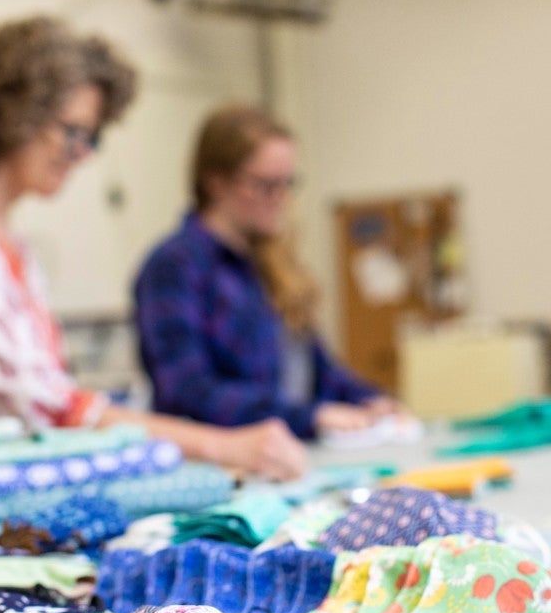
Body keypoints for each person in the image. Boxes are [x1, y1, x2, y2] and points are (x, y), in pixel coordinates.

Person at [0, 18, 305, 480]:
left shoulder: (8, 242)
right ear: (14, 112)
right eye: (73, 132)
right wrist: (223, 446)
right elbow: (53, 407)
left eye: (91, 138)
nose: (82, 153)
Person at [133, 104, 403, 440]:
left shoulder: (269, 262)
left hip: (290, 452)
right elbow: (187, 390)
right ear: (216, 183)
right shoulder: (174, 266)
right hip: (225, 467)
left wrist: (369, 400)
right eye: (265, 185)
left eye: (288, 183)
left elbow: (318, 370)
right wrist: (307, 416)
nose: (282, 198)